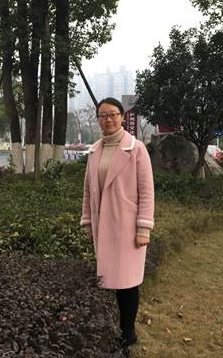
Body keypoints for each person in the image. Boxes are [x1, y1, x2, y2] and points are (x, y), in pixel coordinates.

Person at [80, 97, 155, 350]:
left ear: (122, 117)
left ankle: (128, 334)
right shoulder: (94, 151)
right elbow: (87, 191)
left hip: (127, 227)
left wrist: (144, 228)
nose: (108, 119)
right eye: (103, 115)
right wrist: (88, 222)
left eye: (113, 114)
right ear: (98, 119)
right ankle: (112, 328)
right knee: (107, 280)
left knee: (127, 283)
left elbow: (147, 192)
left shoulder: (136, 149)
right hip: (102, 226)